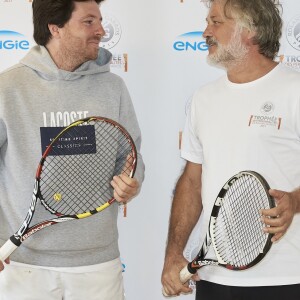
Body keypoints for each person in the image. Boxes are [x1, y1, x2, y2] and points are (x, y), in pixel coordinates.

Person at [0, 0, 144, 299]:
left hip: (97, 261)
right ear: (56, 28)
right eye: (89, 22)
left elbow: (130, 157)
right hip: (23, 261)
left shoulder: (113, 87)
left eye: (100, 21)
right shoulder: (8, 87)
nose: (101, 31)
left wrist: (130, 181)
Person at [161, 0, 300, 299]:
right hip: (215, 279)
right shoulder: (202, 98)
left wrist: (295, 201)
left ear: (249, 31)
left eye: (216, 22)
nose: (205, 33)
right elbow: (191, 181)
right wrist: (174, 254)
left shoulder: (295, 89)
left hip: (287, 277)